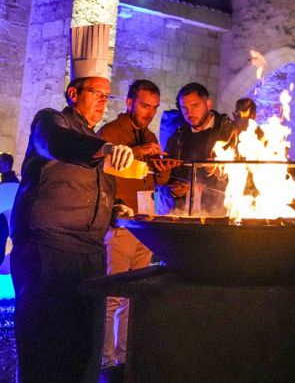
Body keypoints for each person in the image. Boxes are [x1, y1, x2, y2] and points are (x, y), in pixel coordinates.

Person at [10, 24, 134, 383]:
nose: (103, 102)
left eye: (107, 96)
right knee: (47, 349)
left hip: (90, 256)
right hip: (48, 252)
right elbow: (57, 144)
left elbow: (97, 188)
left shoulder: (94, 140)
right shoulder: (51, 122)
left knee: (84, 352)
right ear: (73, 93)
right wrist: (104, 148)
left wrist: (115, 211)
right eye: (97, 94)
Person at [98, 79, 173, 373]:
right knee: (113, 296)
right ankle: (106, 362)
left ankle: (124, 359)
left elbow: (151, 179)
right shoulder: (111, 132)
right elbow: (106, 167)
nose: (149, 112)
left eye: (154, 107)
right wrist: (139, 151)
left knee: (134, 297)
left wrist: (163, 172)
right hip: (120, 224)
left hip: (145, 224)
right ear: (129, 102)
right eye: (144, 105)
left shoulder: (150, 135)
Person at [157, 83, 234, 215]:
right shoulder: (177, 137)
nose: (189, 113)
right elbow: (164, 181)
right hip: (183, 214)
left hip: (219, 215)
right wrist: (172, 191)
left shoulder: (230, 134)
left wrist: (222, 172)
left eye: (195, 106)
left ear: (208, 104)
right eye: (184, 108)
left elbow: (249, 177)